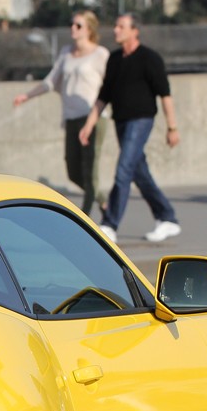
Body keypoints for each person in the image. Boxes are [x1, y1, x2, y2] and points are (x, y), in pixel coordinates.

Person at [78, 14, 181, 243]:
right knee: (138, 172)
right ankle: (167, 218)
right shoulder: (114, 60)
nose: (116, 30)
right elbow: (103, 97)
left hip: (141, 120)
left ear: (135, 31)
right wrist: (89, 124)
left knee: (123, 169)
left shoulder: (149, 58)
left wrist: (172, 127)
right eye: (115, 26)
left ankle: (109, 224)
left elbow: (165, 95)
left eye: (121, 26)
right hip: (121, 121)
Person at [12, 10, 110, 216]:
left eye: (78, 26)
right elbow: (50, 81)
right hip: (71, 117)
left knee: (90, 169)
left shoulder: (100, 54)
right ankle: (104, 201)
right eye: (72, 24)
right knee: (73, 170)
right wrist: (27, 96)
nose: (73, 29)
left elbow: (110, 86)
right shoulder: (66, 52)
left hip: (93, 116)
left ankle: (87, 217)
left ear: (89, 29)